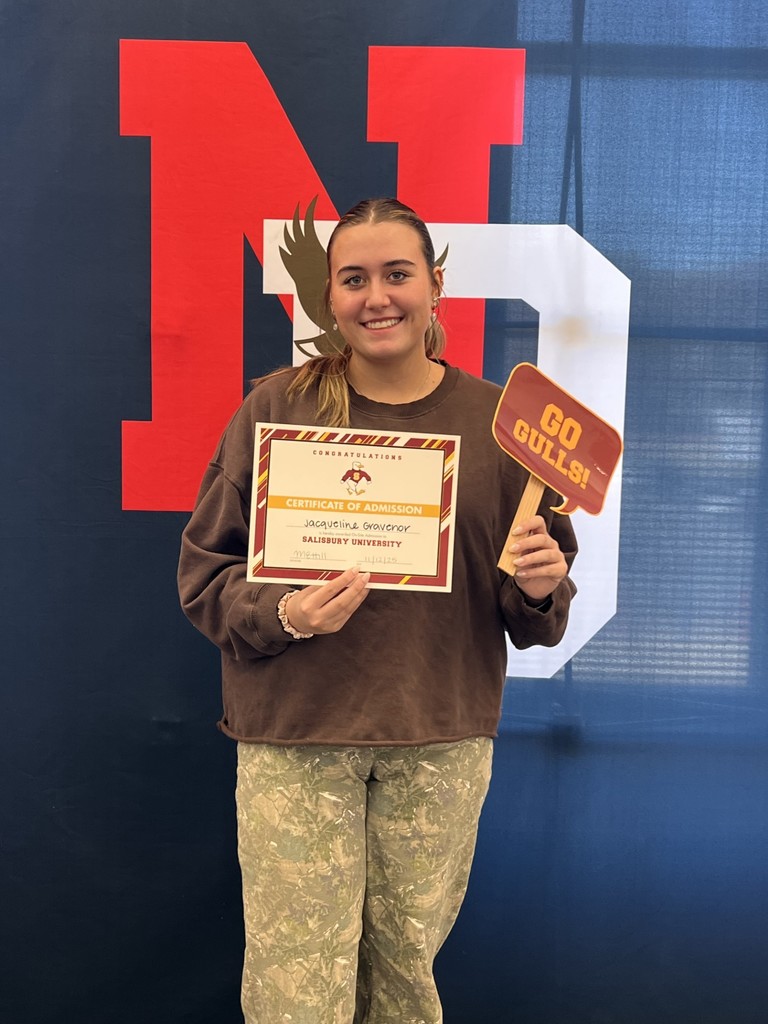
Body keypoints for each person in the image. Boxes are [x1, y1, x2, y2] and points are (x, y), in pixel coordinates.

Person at [178, 197, 577, 1024]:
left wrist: (541, 586)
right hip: (297, 735)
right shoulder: (275, 410)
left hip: (440, 736)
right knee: (297, 990)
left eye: (397, 274)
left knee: (405, 982)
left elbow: (534, 604)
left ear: (435, 285)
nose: (377, 297)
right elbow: (204, 580)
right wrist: (287, 612)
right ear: (330, 299)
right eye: (354, 279)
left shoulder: (505, 425)